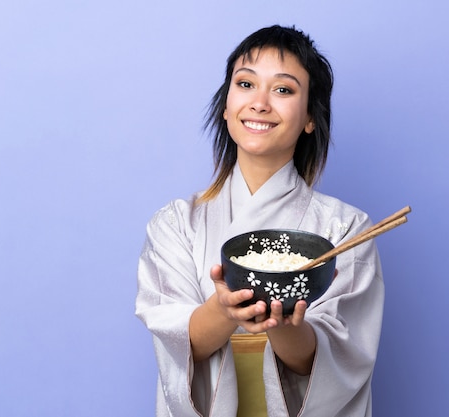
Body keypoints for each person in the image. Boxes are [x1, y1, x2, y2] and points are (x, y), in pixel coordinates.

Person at [135, 25, 384, 417]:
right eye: (246, 84)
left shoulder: (346, 229)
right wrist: (224, 309)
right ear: (226, 104)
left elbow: (337, 363)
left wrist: (283, 321)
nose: (260, 103)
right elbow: (178, 343)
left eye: (283, 90)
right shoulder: (177, 224)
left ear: (310, 118)